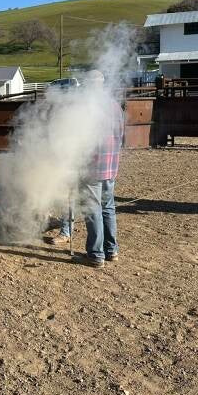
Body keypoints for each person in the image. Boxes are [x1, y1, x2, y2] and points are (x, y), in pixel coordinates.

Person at [72, 70, 124, 269]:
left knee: (93, 209)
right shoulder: (114, 106)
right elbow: (120, 135)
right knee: (108, 207)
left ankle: (95, 254)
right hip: (111, 166)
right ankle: (112, 250)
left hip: (92, 167)